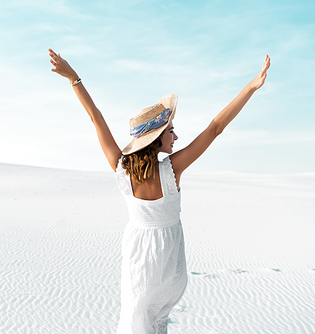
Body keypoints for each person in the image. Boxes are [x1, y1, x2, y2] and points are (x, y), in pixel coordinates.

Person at [49, 48, 270, 334]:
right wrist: (251, 87)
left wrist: (74, 78)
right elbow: (215, 128)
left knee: (135, 320)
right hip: (170, 266)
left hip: (139, 259)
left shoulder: (122, 168)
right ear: (156, 138)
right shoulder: (172, 170)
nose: (176, 136)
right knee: (155, 323)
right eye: (171, 131)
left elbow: (95, 117)